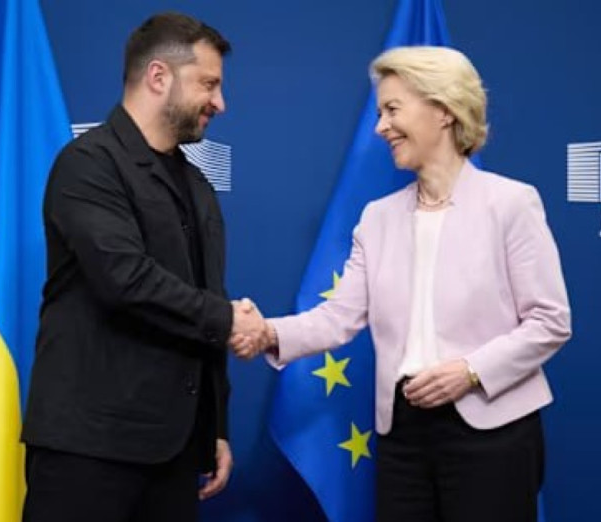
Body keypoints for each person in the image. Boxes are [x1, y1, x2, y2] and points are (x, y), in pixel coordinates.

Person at [235, 46, 571, 522]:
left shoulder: (511, 204)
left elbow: (550, 321)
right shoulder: (377, 218)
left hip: (493, 428)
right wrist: (266, 332)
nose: (381, 127)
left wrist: (471, 370)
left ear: (444, 110)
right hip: (403, 435)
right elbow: (336, 318)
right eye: (380, 113)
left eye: (392, 109)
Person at [21, 12, 264, 522]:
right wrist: (229, 320)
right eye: (209, 84)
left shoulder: (197, 185)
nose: (220, 103)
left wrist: (214, 426)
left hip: (174, 451)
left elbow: (205, 297)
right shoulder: (88, 164)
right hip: (88, 449)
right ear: (159, 76)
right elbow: (125, 280)